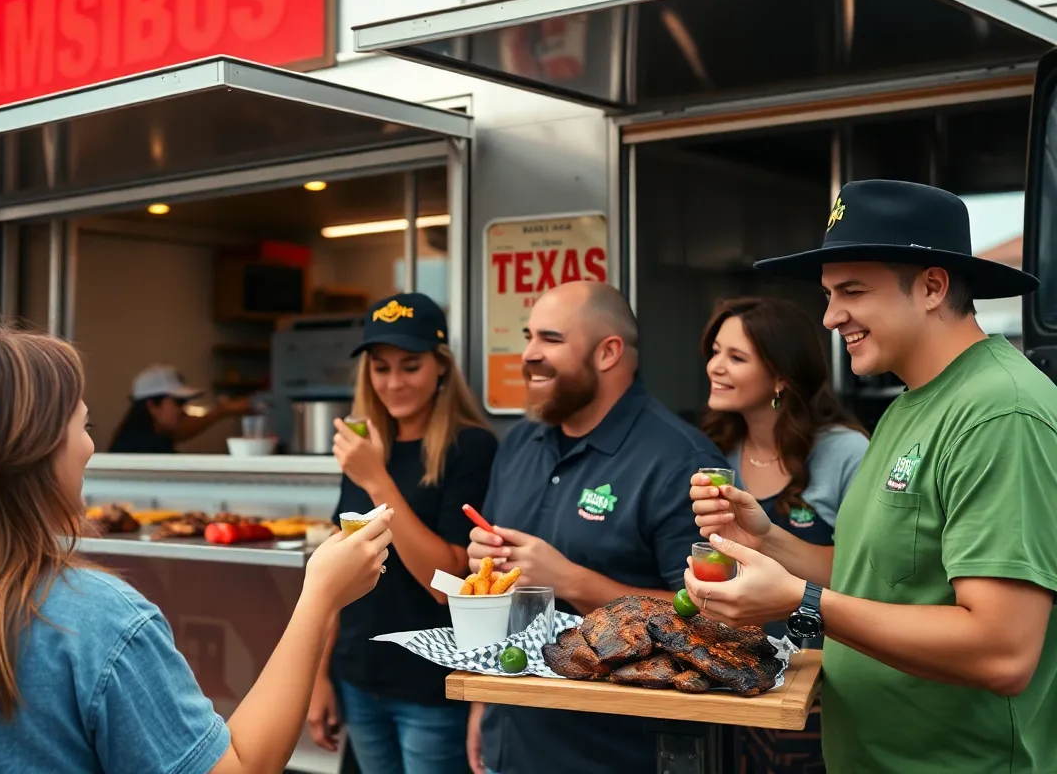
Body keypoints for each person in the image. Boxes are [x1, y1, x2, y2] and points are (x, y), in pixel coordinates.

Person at [0, 329, 394, 774]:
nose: (90, 447)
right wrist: (318, 596)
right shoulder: (95, 620)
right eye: (82, 426)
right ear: (31, 454)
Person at [685, 180, 1057, 774]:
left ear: (933, 286)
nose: (831, 316)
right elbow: (883, 578)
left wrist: (801, 603)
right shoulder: (910, 404)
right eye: (829, 294)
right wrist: (769, 541)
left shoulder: (1000, 411)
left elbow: (1002, 650)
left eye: (852, 291)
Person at [465, 280, 730, 774]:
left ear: (608, 352)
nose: (528, 354)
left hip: (618, 749)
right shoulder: (519, 443)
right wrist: (485, 700)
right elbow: (501, 588)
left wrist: (570, 580)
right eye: (528, 337)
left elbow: (715, 623)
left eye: (550, 339)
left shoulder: (680, 461)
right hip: (513, 732)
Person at [307, 292, 498, 774]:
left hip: (431, 686)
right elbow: (338, 573)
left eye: (410, 366)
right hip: (358, 675)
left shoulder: (470, 447)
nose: (393, 382)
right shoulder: (365, 448)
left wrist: (376, 479)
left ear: (440, 368)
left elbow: (447, 584)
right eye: (380, 367)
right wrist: (318, 677)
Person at [699, 296, 868, 772]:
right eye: (714, 351)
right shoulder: (712, 452)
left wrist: (767, 539)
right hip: (727, 682)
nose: (715, 366)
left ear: (780, 377)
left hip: (816, 691)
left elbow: (864, 575)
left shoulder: (845, 453)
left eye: (736, 357)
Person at [107, 364, 251, 453]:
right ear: (152, 405)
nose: (183, 410)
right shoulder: (150, 450)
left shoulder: (133, 439)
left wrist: (221, 411)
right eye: (179, 402)